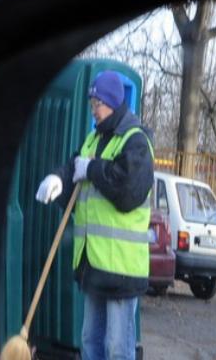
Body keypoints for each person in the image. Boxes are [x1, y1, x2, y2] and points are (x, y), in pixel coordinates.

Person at [35, 70, 155, 360]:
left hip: (122, 269)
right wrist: (58, 180)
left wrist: (91, 169)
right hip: (94, 265)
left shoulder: (136, 141)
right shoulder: (93, 140)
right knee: (90, 342)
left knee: (117, 348)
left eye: (97, 104)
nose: (94, 111)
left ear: (113, 102)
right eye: (91, 105)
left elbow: (128, 191)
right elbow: (74, 166)